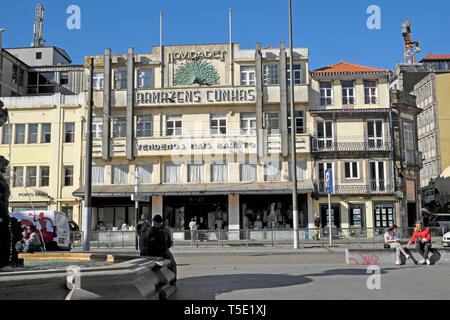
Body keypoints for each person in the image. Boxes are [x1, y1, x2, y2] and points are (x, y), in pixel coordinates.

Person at [147, 215, 177, 284]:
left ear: (153, 221)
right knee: (173, 265)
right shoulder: (166, 230)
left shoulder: (149, 230)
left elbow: (146, 243)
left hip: (151, 253)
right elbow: (169, 244)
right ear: (161, 221)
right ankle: (173, 282)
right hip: (163, 252)